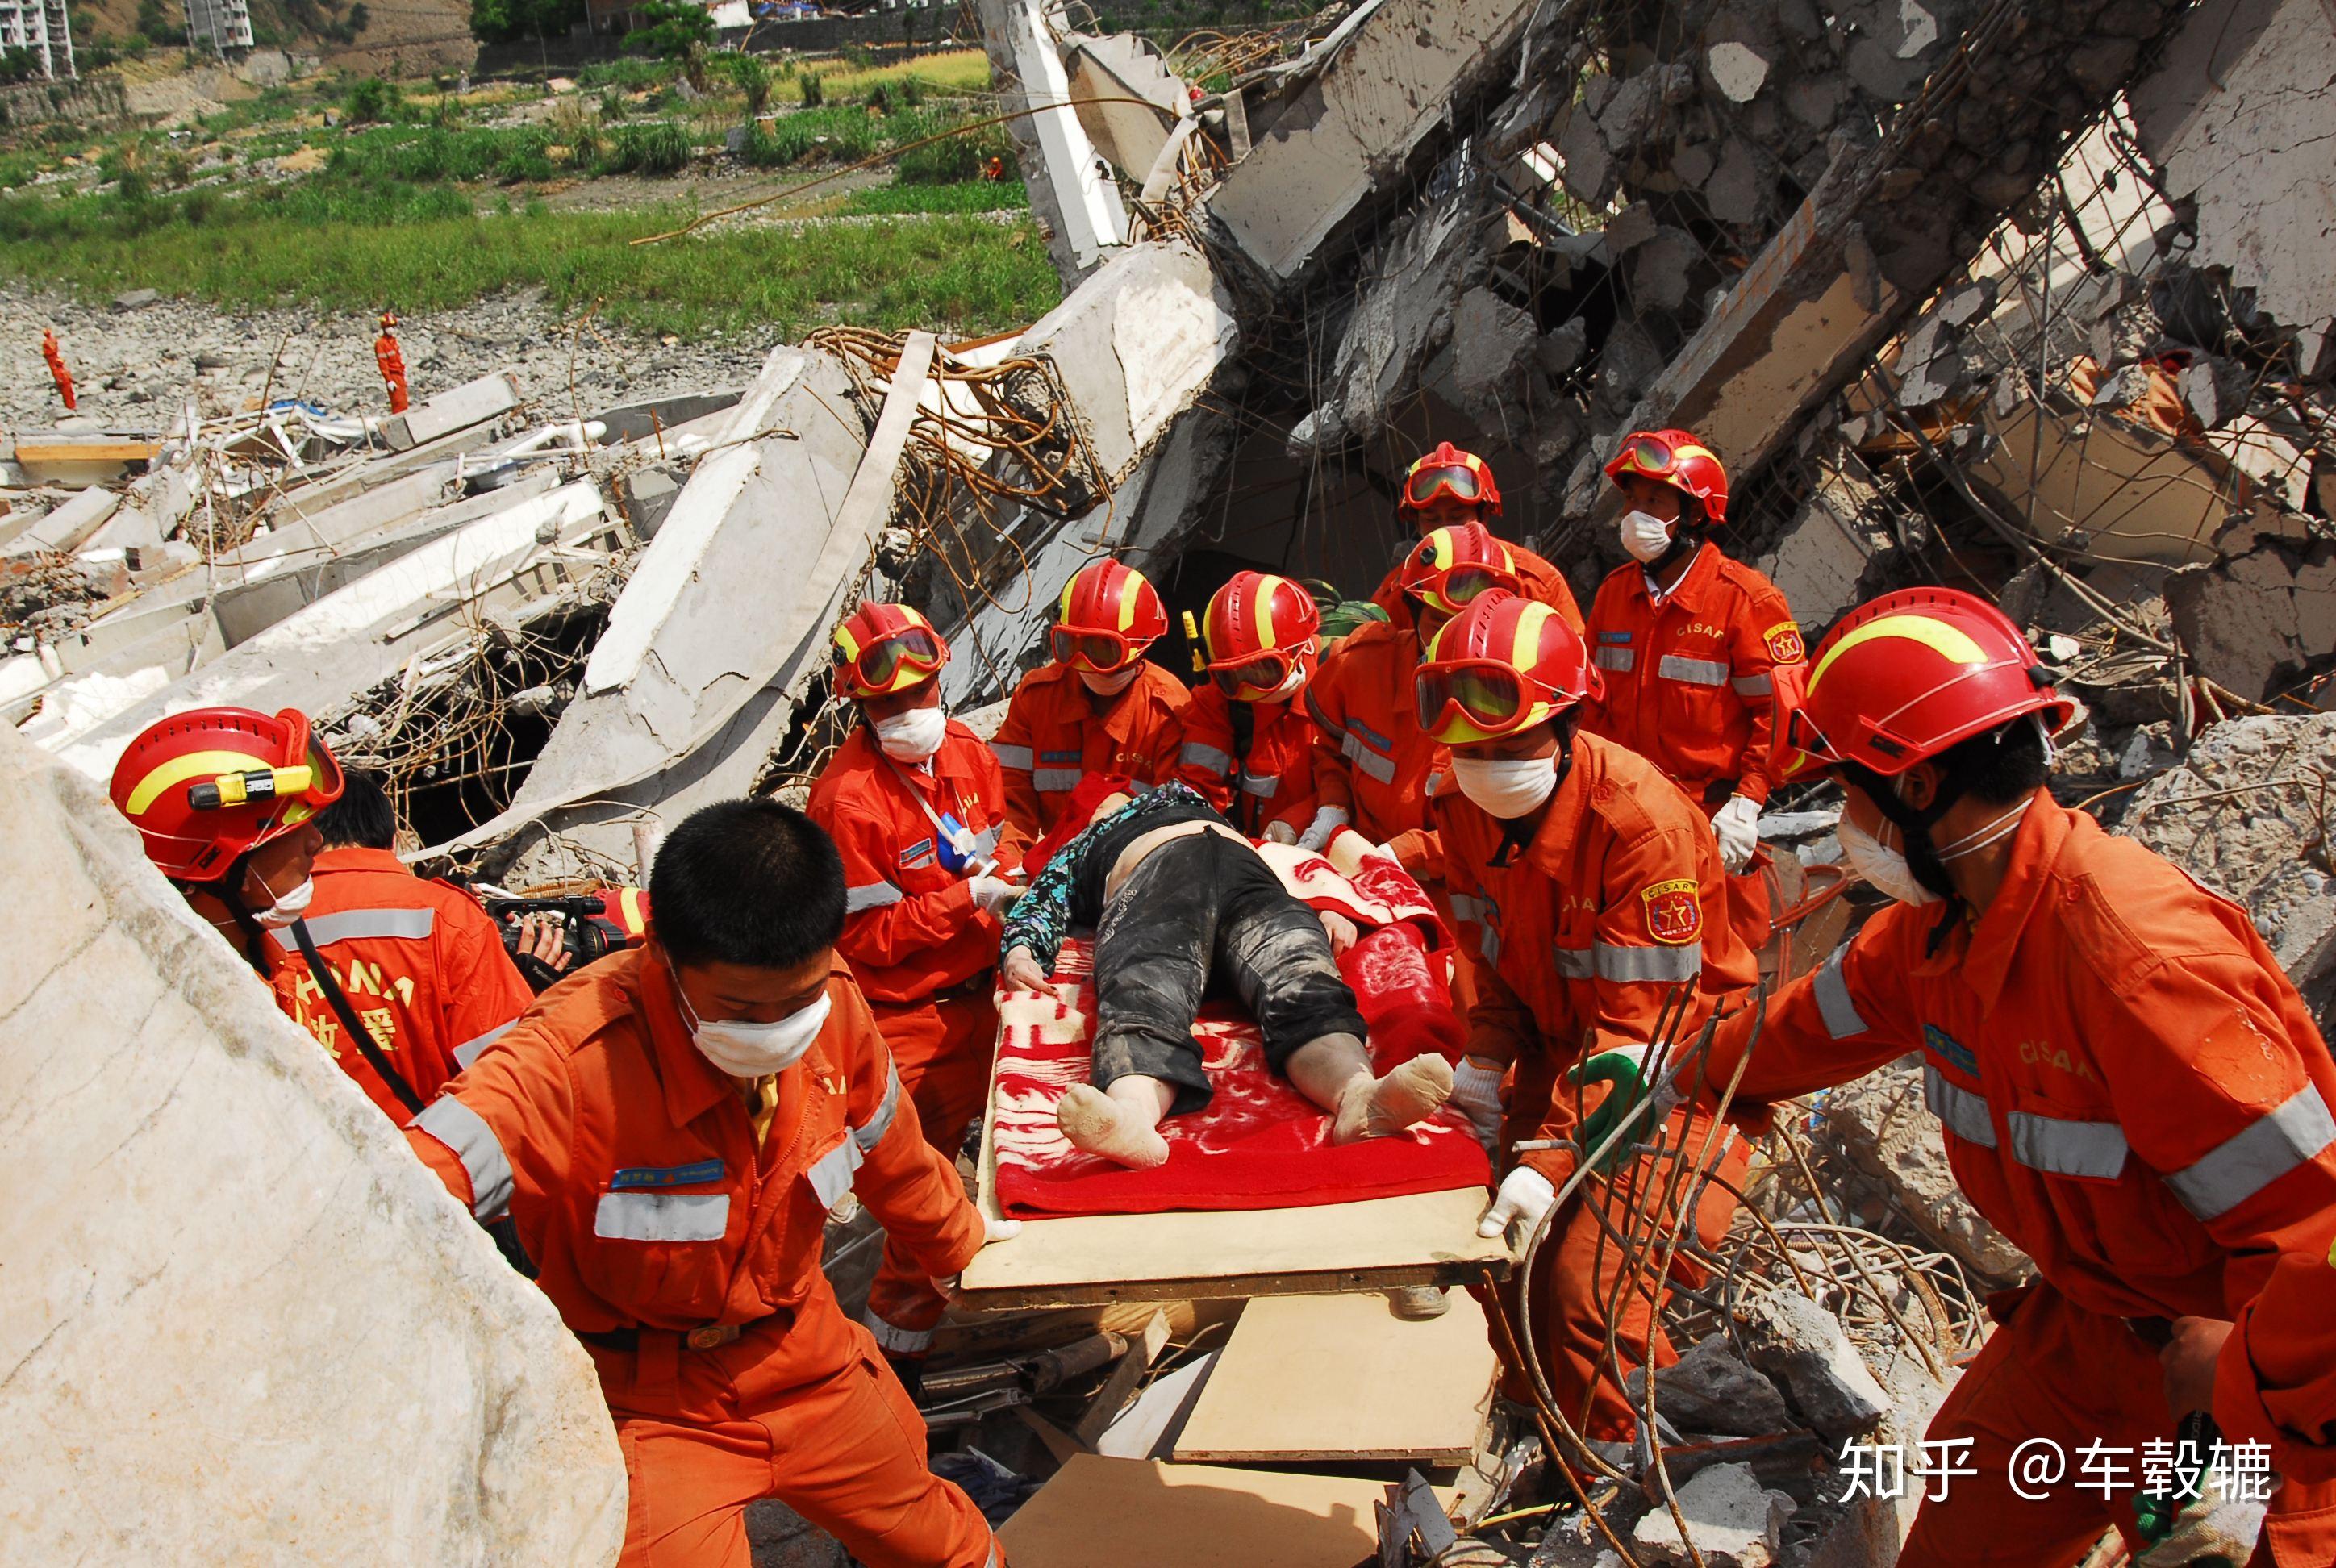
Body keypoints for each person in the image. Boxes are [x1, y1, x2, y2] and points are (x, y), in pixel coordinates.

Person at [1579, 588, 2336, 1566]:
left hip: (2216, 1384)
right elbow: (1805, 1028)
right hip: (2082, 1334)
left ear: (1919, 789)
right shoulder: (1938, 932)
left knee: (2189, 1547)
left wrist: (2244, 1397)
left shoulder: (2136, 963)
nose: (1845, 817)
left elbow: (2314, 1234)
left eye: (1853, 788)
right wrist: (1668, 1075)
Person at [403, 798, 1016, 1568]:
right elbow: (404, 1195)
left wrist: (968, 1255)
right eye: (738, 1007)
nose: (774, 1029)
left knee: (949, 1547)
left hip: (807, 1359)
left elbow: (897, 1156)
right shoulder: (565, 1060)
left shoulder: (837, 1011)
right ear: (660, 948)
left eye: (797, 1001)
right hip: (646, 1405)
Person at [1416, 590, 1757, 1442]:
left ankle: (1645, 1468)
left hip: (1677, 1072)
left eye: (1507, 742)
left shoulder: (1639, 828)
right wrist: (1485, 1063)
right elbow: (1488, 965)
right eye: (1467, 746)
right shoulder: (1459, 804)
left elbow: (1643, 1030)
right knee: (1496, 1263)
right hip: (1565, 1055)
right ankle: (1552, 1436)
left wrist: (1549, 1157)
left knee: (1589, 1291)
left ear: (1567, 726)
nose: (1484, 761)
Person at [998, 781, 1454, 1169]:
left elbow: (1302, 865)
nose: (1126, 794)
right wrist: (1021, 950)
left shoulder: (1211, 813)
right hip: (1156, 878)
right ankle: (1131, 1116)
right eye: (1108, 798)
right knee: (1143, 985)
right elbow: (1041, 901)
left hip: (1247, 877)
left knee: (1299, 968)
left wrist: (1335, 907)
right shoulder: (1083, 844)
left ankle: (1357, 1097)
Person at [807, 601, 1028, 1378]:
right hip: (908, 1023)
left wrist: (1014, 900)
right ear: (859, 706)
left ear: (941, 681)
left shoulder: (969, 752)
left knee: (1007, 1162)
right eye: (888, 703)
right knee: (918, 1207)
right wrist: (964, 902)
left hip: (983, 998)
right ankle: (896, 1364)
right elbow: (864, 937)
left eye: (920, 693)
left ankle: (976, 1304)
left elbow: (1001, 847)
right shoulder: (848, 801)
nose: (909, 712)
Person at [1579, 428, 1804, 955]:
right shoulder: (1615, 594)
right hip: (1622, 815)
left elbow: (1783, 714)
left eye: (1655, 500)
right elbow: (1589, 708)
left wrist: (1747, 803)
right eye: (1633, 499)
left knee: (1718, 969)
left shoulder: (1745, 602)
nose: (1637, 513)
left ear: (1696, 514)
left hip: (1707, 821)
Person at [294, 768, 539, 1099]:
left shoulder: (259, 922)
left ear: (305, 837)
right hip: (428, 1145)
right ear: (393, 841)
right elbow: (507, 1080)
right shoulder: (449, 917)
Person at [1304, 521, 1521, 872]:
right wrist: (1333, 807)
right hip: (1356, 867)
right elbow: (1329, 749)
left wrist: (1401, 856)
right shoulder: (1361, 666)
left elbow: (1506, 827)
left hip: (1458, 893)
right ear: (1412, 609)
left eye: (1468, 624)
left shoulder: (1519, 699)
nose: (1454, 641)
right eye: (1440, 622)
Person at [991, 557, 1189, 837]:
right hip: (1052, 864)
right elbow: (1009, 796)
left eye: (1103, 649)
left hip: (1129, 864)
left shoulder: (1168, 711)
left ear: (1140, 647)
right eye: (1072, 645)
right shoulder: (1037, 697)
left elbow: (1173, 821)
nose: (1086, 663)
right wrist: (1008, 871)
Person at [1367, 442, 1583, 632]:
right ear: (1416, 522)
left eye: (1458, 517)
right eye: (1432, 519)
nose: (1445, 528)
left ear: (1484, 515)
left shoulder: (1535, 581)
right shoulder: (1399, 589)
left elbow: (1574, 659)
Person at [1174, 570, 1323, 842]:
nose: (1248, 689)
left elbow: (1359, 787)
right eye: (1234, 677)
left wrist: (1302, 818)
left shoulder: (1338, 682)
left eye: (1262, 670)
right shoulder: (1218, 699)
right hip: (1259, 849)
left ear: (1298, 650)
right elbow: (1197, 787)